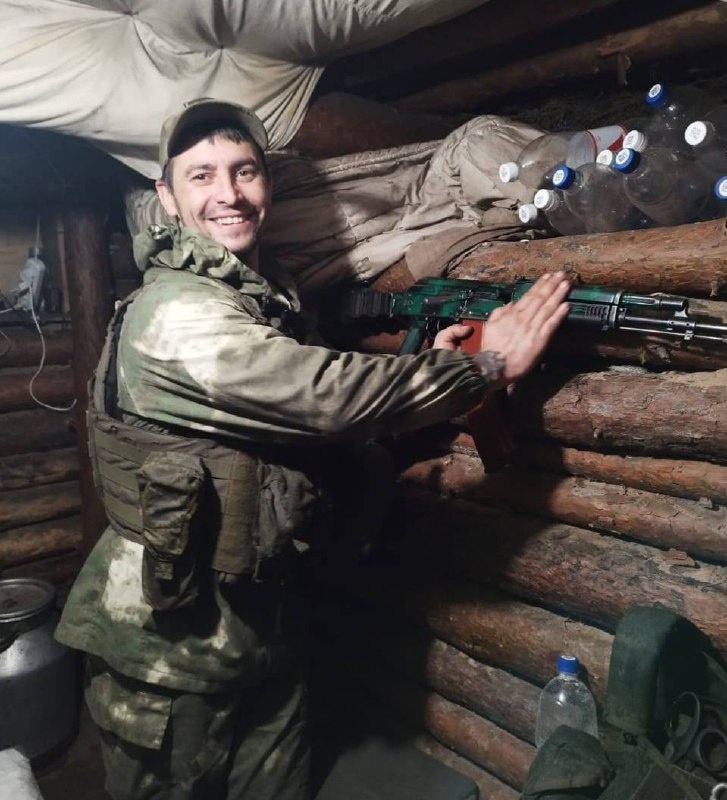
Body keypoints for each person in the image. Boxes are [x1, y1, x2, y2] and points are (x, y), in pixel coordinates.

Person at [55, 98, 571, 800]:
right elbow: (326, 397)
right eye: (201, 175)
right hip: (170, 649)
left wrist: (432, 373)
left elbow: (303, 431)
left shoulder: (262, 301)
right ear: (167, 198)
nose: (228, 194)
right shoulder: (176, 313)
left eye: (244, 172)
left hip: (262, 624)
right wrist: (486, 366)